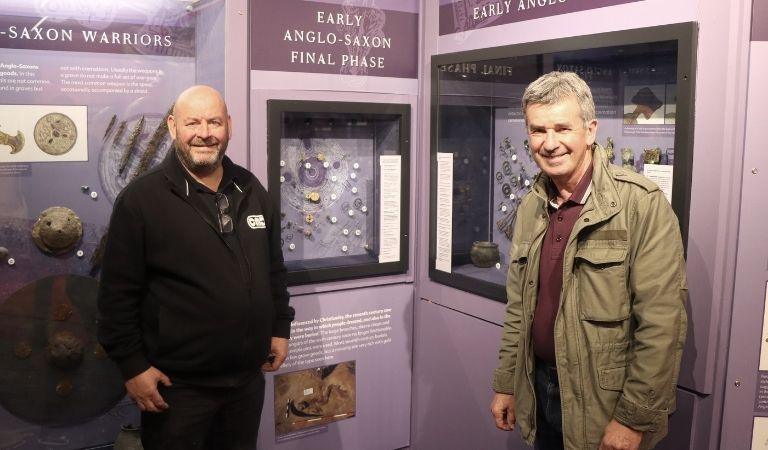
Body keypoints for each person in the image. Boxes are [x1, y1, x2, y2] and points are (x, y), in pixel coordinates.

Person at [490, 72, 687, 450]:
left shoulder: (640, 205)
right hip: (540, 387)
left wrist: (632, 418)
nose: (549, 144)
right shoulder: (532, 205)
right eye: (538, 130)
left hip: (604, 403)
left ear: (590, 130)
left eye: (562, 128)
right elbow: (519, 307)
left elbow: (662, 325)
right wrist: (506, 382)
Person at [97, 85, 294, 450]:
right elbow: (116, 296)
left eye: (214, 121)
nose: (205, 132)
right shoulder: (141, 200)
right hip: (178, 390)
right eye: (193, 122)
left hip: (246, 383)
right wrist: (132, 366)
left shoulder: (250, 188)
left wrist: (280, 327)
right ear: (173, 127)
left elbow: (273, 269)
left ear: (229, 127)